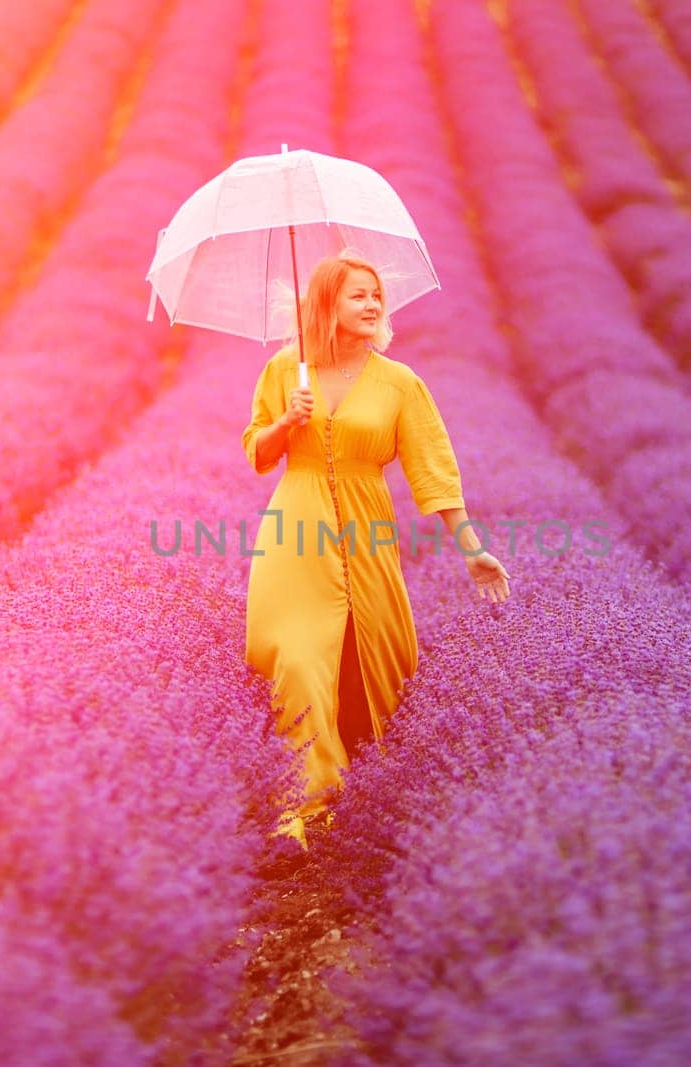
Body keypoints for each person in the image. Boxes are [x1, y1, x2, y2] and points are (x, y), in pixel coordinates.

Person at [241, 250, 510, 850]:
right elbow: (256, 450)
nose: (371, 304)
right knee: (298, 652)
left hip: (367, 527)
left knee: (379, 655)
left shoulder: (399, 383)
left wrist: (471, 549)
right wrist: (286, 422)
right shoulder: (287, 368)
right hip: (295, 528)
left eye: (375, 295)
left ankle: (377, 794)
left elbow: (434, 471)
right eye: (357, 294)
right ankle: (304, 803)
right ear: (327, 303)